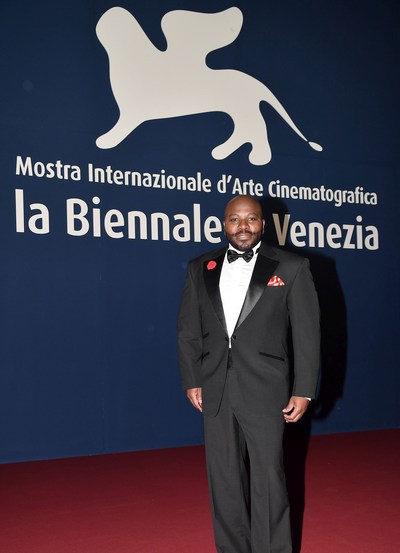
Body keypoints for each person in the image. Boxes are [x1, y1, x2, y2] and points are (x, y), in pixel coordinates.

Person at [178, 195, 320, 553]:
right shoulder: (200, 266)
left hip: (266, 387)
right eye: (234, 220)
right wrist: (192, 377)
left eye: (251, 219)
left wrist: (303, 388)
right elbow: (188, 330)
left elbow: (307, 333)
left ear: (263, 223)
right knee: (224, 478)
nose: (243, 227)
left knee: (269, 478)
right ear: (224, 223)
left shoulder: (291, 266)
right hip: (215, 386)